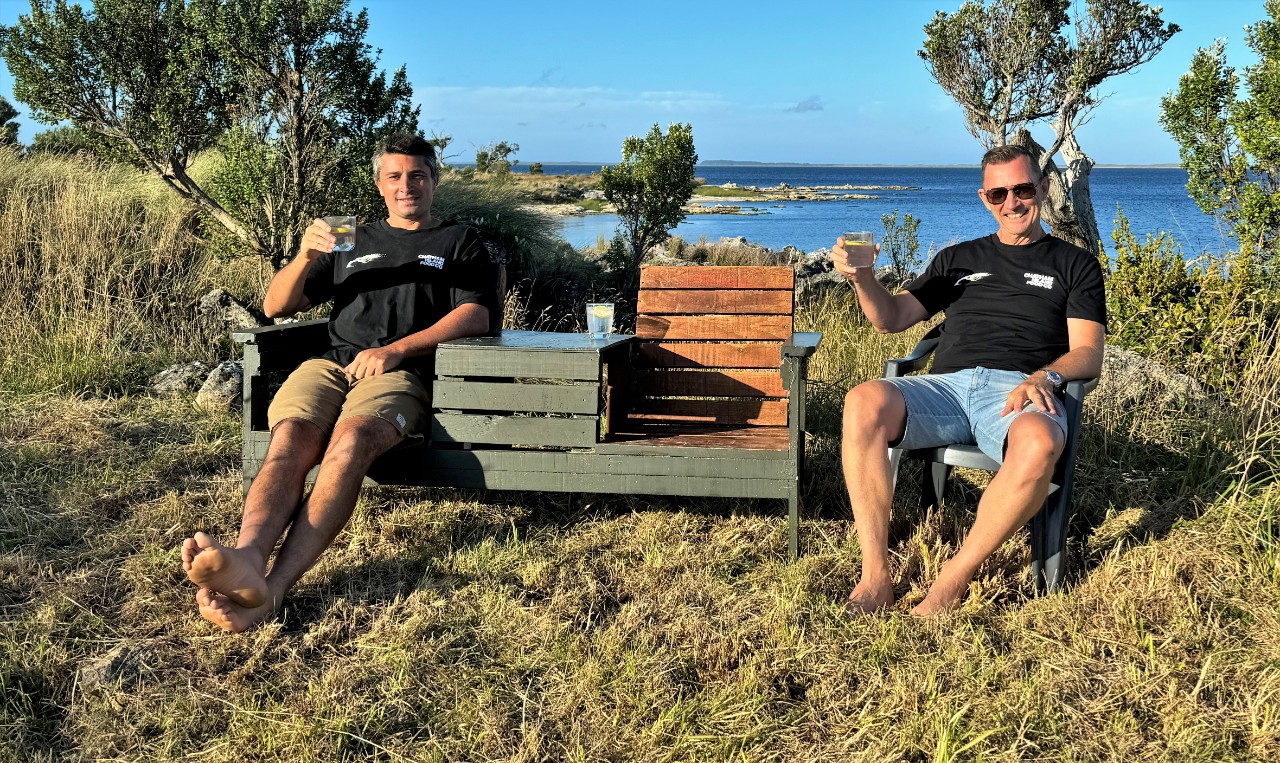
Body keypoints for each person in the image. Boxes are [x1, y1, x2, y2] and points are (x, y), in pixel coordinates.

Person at [181, 132, 498, 632]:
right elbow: (275, 307)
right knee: (291, 437)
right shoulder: (349, 235)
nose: (406, 185)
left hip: (400, 372)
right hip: (330, 364)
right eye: (394, 176)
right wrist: (306, 256)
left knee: (349, 444)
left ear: (435, 181)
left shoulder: (459, 240)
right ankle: (247, 557)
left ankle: (274, 590)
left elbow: (476, 315)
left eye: (417, 175)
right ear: (379, 184)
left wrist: (396, 350)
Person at [833, 144, 1106, 617]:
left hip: (1018, 387)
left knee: (1040, 443)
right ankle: (876, 576)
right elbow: (891, 318)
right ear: (984, 198)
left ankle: (948, 585)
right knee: (863, 401)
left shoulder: (1074, 264)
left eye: (1022, 189)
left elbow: (1088, 352)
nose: (1012, 202)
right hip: (946, 388)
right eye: (999, 193)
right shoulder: (957, 258)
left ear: (1042, 189)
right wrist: (862, 279)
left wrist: (1046, 374)